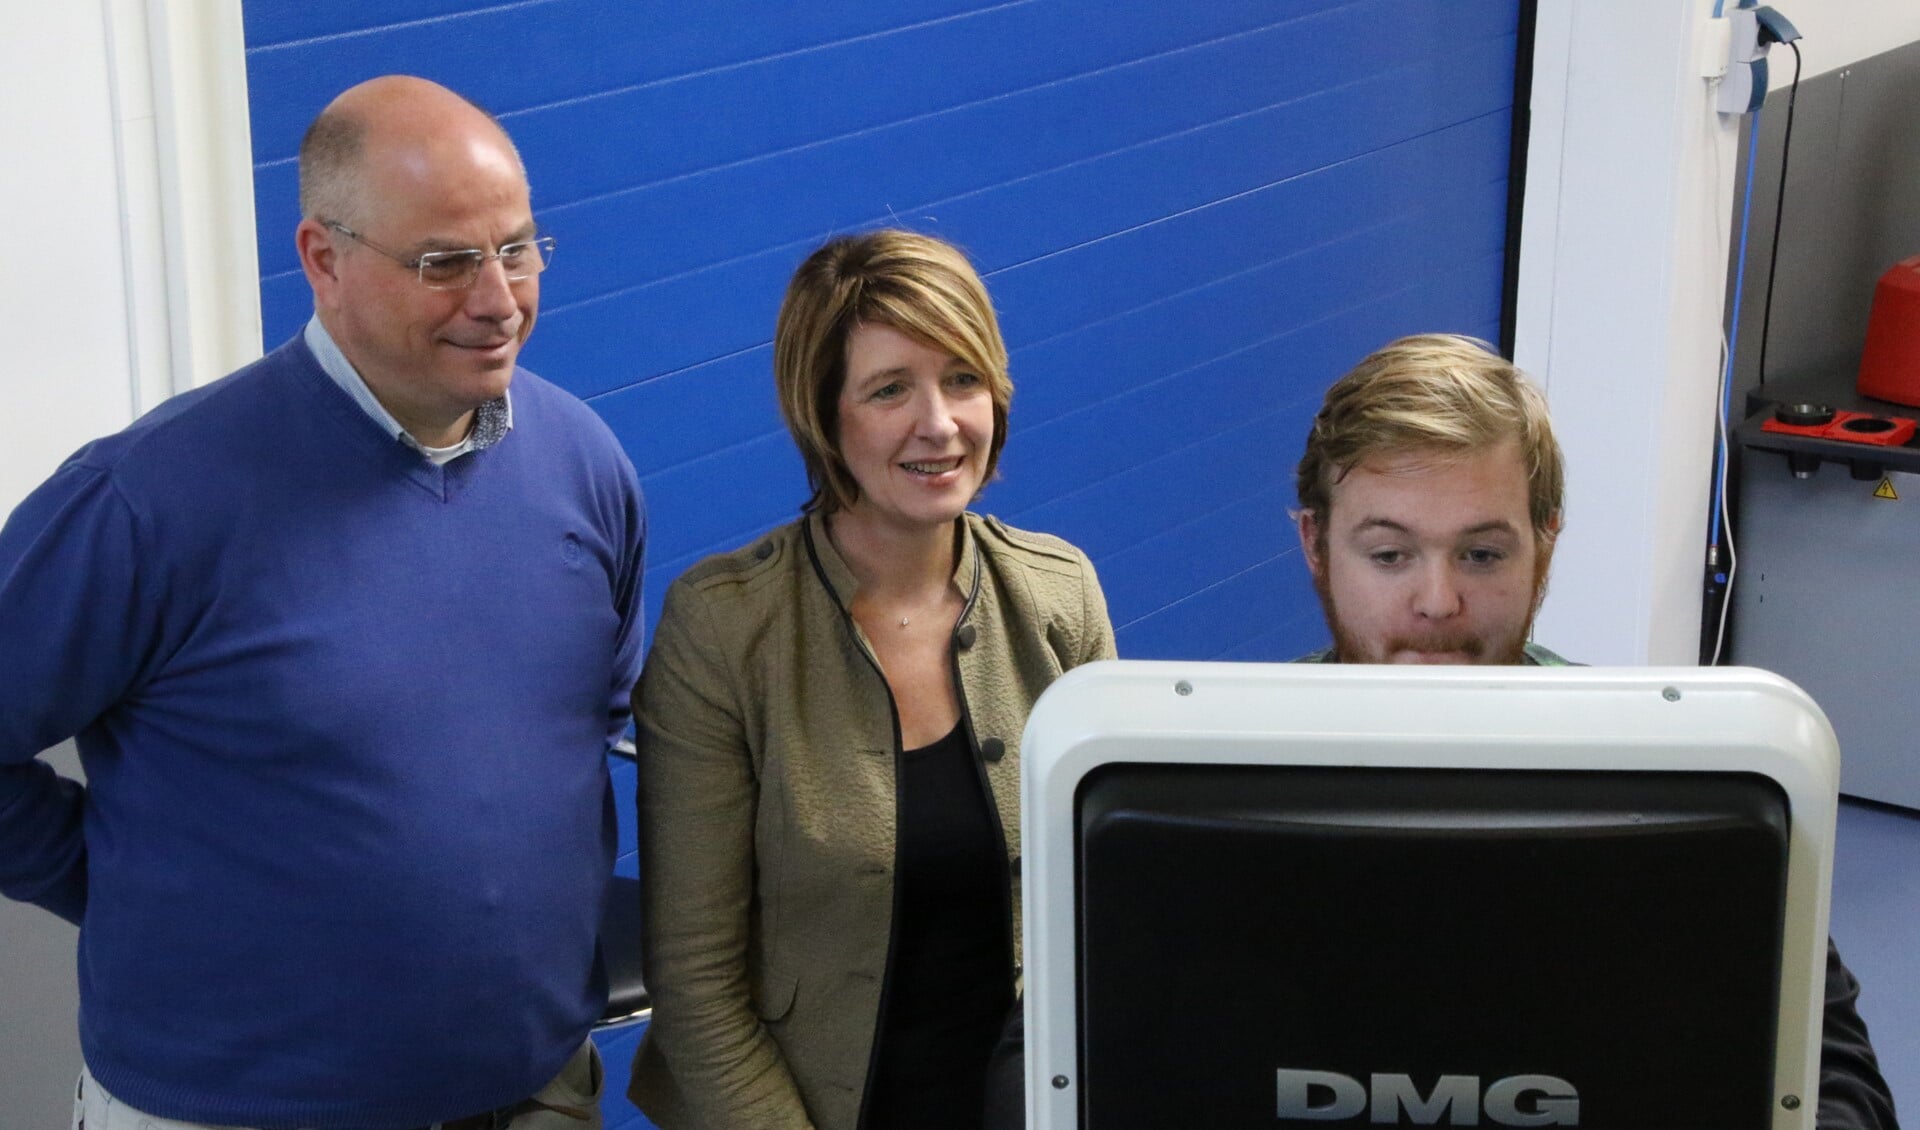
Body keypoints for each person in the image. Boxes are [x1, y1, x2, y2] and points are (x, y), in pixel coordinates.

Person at [0, 76, 645, 1129]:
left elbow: (586, 732)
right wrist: (114, 882)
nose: (498, 299)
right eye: (445, 262)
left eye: (518, 249)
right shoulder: (149, 498)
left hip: (531, 1091)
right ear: (322, 259)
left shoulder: (583, 463)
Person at [1292, 333, 1897, 1129]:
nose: (1437, 602)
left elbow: (1833, 1077)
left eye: (1480, 554)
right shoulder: (1192, 771)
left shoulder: (1677, 775)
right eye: (1389, 554)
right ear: (1316, 547)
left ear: (1544, 547)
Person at [627, 229, 1115, 1129]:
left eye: (962, 379)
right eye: (890, 389)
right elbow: (697, 986)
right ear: (823, 413)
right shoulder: (726, 629)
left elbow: (1117, 915)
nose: (939, 424)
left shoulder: (1059, 592)